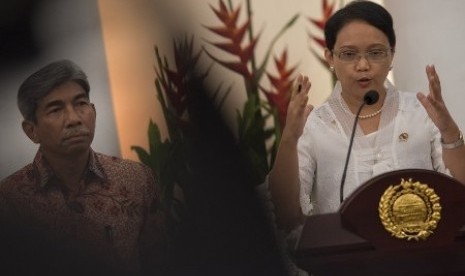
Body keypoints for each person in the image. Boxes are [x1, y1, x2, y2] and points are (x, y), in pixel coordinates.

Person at [266, 0, 465, 273]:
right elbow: (287, 216)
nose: (363, 65)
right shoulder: (314, 125)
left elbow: (460, 196)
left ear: (391, 55)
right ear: (330, 58)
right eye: (348, 54)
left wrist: (450, 132)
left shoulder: (420, 113)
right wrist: (289, 138)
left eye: (375, 52)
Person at [0, 59, 165, 275]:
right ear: (32, 130)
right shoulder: (9, 200)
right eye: (55, 109)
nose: (74, 119)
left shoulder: (137, 179)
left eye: (80, 104)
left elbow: (161, 264)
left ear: (93, 112)